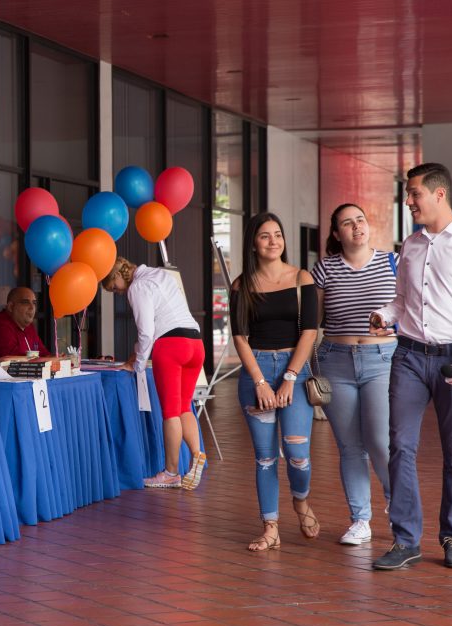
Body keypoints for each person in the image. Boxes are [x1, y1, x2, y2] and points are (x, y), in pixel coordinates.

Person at [369, 163, 452, 571]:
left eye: (414, 194)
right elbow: (402, 300)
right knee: (400, 446)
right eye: (408, 194)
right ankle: (406, 540)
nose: (408, 201)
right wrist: (384, 315)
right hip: (408, 356)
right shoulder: (410, 244)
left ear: (439, 194)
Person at [231, 212, 320, 552]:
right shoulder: (241, 285)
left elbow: (309, 331)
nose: (273, 241)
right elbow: (240, 337)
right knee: (266, 457)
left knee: (297, 453)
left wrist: (289, 378)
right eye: (265, 235)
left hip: (293, 370)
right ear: (253, 243)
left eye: (278, 234)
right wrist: (260, 382)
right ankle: (270, 528)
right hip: (256, 373)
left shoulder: (301, 278)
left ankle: (301, 500)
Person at [312, 204, 398, 546]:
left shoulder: (392, 262)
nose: (356, 226)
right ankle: (360, 520)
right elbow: (313, 320)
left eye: (360, 220)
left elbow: (411, 309)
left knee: (380, 441)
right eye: (347, 223)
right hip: (335, 361)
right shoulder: (325, 269)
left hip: (382, 360)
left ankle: (397, 506)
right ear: (337, 234)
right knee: (350, 446)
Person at [101, 257, 206, 490]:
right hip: (196, 343)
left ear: (118, 275)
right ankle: (197, 453)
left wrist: (137, 365)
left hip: (171, 346)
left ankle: (171, 472)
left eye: (114, 288)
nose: (119, 293)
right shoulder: (161, 274)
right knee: (184, 406)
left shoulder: (137, 287)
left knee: (170, 413)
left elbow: (147, 332)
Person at [0, 287, 51, 361]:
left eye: (34, 303)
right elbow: (12, 360)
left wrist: (54, 359)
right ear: (11, 307)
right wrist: (45, 360)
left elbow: (45, 355)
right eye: (26, 302)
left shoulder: (28, 326)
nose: (32, 307)